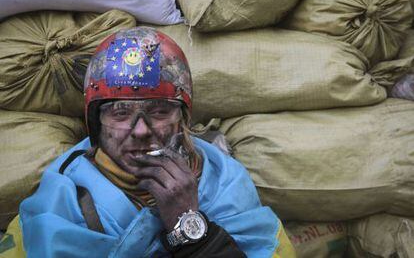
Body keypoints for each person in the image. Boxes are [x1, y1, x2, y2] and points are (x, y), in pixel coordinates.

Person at [0, 27, 295, 257]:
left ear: (183, 117)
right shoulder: (63, 198)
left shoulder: (224, 182)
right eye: (120, 112)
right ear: (96, 123)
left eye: (159, 110)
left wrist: (190, 225)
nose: (140, 130)